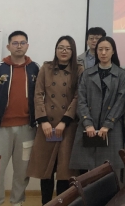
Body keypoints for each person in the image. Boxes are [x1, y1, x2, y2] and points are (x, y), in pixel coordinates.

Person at [0, 30, 40, 206]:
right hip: (0, 129)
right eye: (15, 43)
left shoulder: (35, 69)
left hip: (27, 129)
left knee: (22, 170)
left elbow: (40, 94)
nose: (19, 46)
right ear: (8, 46)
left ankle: (17, 202)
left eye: (22, 43)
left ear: (27, 46)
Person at [27, 36, 84, 205]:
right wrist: (43, 121)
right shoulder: (46, 68)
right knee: (46, 169)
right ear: (56, 49)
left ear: (73, 51)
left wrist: (64, 121)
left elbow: (78, 97)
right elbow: (38, 94)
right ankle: (46, 203)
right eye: (60, 47)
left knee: (64, 171)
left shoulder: (79, 70)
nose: (64, 51)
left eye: (68, 48)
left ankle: (61, 203)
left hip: (68, 126)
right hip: (47, 125)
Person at [69, 37, 125, 176]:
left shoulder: (121, 74)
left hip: (112, 128)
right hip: (88, 127)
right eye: (100, 49)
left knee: (110, 170)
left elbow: (120, 101)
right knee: (86, 172)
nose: (103, 53)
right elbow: (81, 100)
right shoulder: (86, 74)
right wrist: (87, 123)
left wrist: (107, 124)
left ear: (113, 51)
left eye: (107, 49)